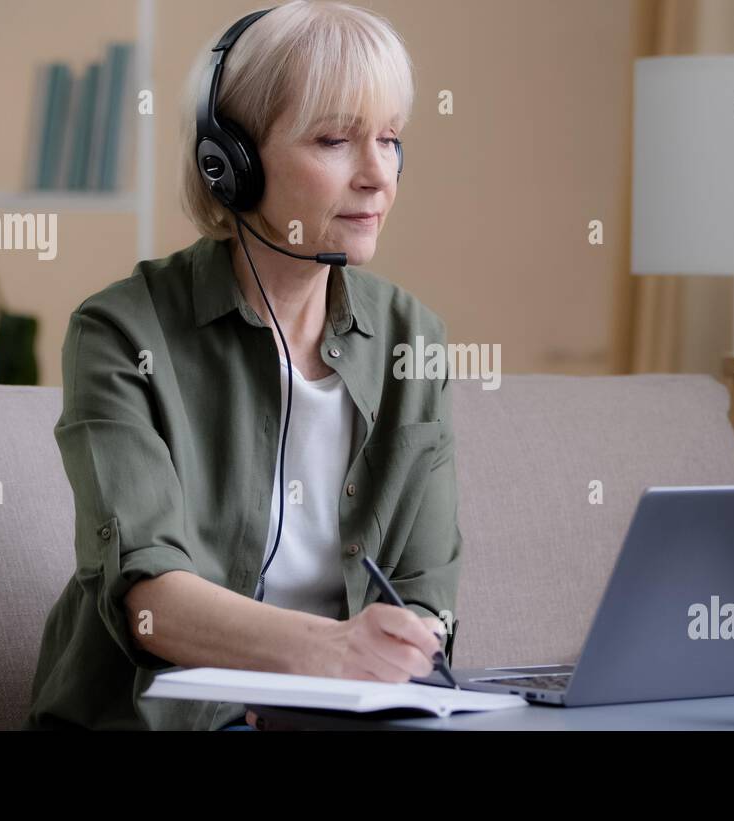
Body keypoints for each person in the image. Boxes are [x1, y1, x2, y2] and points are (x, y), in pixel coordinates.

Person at [25, 0, 461, 731]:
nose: (377, 176)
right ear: (229, 162)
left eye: (389, 140)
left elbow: (426, 588)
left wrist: (404, 649)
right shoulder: (119, 332)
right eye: (334, 139)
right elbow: (152, 599)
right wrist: (331, 653)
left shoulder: (412, 338)